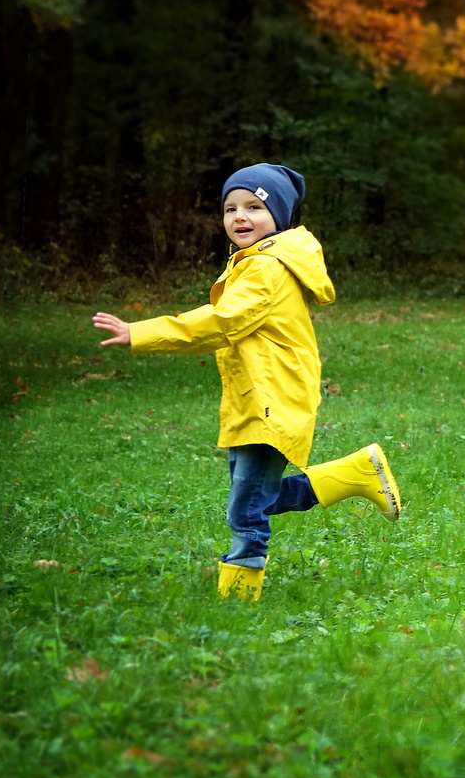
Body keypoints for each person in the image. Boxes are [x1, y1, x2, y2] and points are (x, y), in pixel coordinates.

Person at [90, 164, 404, 599]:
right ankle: (354, 474)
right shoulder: (254, 263)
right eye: (231, 207)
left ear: (278, 215)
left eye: (255, 206)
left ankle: (238, 595)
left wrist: (141, 332)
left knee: (245, 508)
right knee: (254, 497)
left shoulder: (266, 269)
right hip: (254, 398)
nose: (240, 216)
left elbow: (222, 321)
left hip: (270, 401)